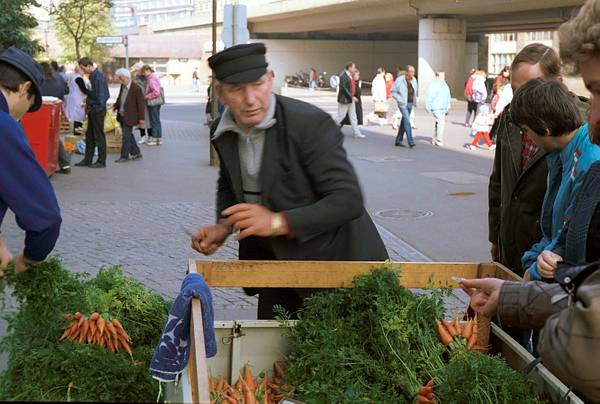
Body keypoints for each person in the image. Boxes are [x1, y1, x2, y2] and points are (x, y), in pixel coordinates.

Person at [461, 3, 600, 400]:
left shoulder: (587, 160)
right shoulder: (528, 135)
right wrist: (517, 288)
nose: (591, 122)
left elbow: (583, 337)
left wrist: (542, 284)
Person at [192, 43, 389, 319]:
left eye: (257, 84)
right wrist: (224, 226)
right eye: (237, 89)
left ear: (271, 79)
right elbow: (230, 181)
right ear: (220, 93)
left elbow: (348, 201)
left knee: (336, 356)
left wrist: (275, 222)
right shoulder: (221, 129)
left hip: (337, 267)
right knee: (272, 354)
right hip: (276, 267)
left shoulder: (309, 124)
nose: (250, 99)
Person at [512, 79, 600, 281]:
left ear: (544, 128)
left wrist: (532, 271)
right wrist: (532, 261)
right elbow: (553, 232)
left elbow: (569, 235)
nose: (527, 137)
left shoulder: (590, 160)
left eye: (526, 130)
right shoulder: (559, 154)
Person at [0, 46, 62, 277]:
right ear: (24, 88)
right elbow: (45, 218)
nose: (25, 113)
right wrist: (30, 258)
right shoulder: (4, 126)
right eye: (30, 103)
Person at [75, 57, 109, 168]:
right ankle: (87, 159)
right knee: (90, 136)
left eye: (83, 68)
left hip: (97, 111)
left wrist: (93, 105)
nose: (83, 71)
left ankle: (101, 161)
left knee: (98, 136)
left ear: (89, 66)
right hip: (94, 109)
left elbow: (102, 97)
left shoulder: (97, 78)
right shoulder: (94, 76)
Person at [39, 62, 71, 174]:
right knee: (55, 138)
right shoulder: (58, 78)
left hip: (39, 112)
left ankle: (43, 162)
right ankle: (64, 163)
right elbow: (64, 93)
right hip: (55, 111)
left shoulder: (39, 80)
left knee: (40, 138)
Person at [113, 68, 144, 163]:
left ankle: (124, 156)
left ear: (127, 78)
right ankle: (136, 152)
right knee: (129, 135)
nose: (121, 81)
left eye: (121, 79)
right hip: (121, 115)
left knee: (126, 137)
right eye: (120, 79)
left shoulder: (136, 88)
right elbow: (120, 98)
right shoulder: (122, 86)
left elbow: (141, 104)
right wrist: (115, 106)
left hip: (130, 116)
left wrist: (141, 118)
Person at [335, 62, 364, 139]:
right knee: (341, 116)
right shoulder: (343, 76)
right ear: (349, 68)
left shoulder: (349, 75)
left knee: (353, 117)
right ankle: (330, 129)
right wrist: (351, 97)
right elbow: (344, 88)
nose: (354, 69)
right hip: (345, 100)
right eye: (354, 67)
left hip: (350, 100)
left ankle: (357, 133)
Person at [392, 64, 418, 148]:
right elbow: (393, 92)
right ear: (407, 72)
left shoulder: (414, 80)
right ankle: (410, 141)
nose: (413, 73)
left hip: (410, 103)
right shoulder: (400, 80)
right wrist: (400, 100)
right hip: (403, 103)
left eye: (414, 71)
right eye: (411, 71)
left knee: (404, 122)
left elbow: (414, 92)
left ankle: (398, 140)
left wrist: (414, 101)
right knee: (407, 120)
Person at [425, 71, 451, 147]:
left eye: (443, 76)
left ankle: (435, 139)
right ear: (437, 76)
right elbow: (430, 96)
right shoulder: (433, 85)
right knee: (441, 123)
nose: (443, 77)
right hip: (437, 107)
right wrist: (428, 106)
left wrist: (448, 107)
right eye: (441, 76)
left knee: (438, 123)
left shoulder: (445, 84)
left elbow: (448, 96)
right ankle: (439, 139)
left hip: (443, 107)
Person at [141, 65, 163, 146]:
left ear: (147, 70)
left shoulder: (151, 79)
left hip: (153, 102)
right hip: (157, 102)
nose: (143, 74)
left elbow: (156, 92)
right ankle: (158, 138)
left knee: (154, 120)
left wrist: (146, 96)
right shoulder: (154, 77)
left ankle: (155, 138)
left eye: (143, 72)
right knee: (156, 120)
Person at [131, 62, 153, 144]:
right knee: (141, 119)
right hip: (139, 101)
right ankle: (143, 136)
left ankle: (150, 136)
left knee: (149, 120)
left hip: (147, 101)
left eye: (137, 70)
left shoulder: (148, 77)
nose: (136, 72)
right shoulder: (136, 78)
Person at [65, 65, 87, 136]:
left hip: (73, 98)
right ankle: (77, 133)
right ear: (80, 70)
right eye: (83, 70)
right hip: (78, 99)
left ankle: (76, 132)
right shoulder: (78, 78)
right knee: (79, 117)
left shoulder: (72, 76)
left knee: (76, 117)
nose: (84, 72)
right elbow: (83, 89)